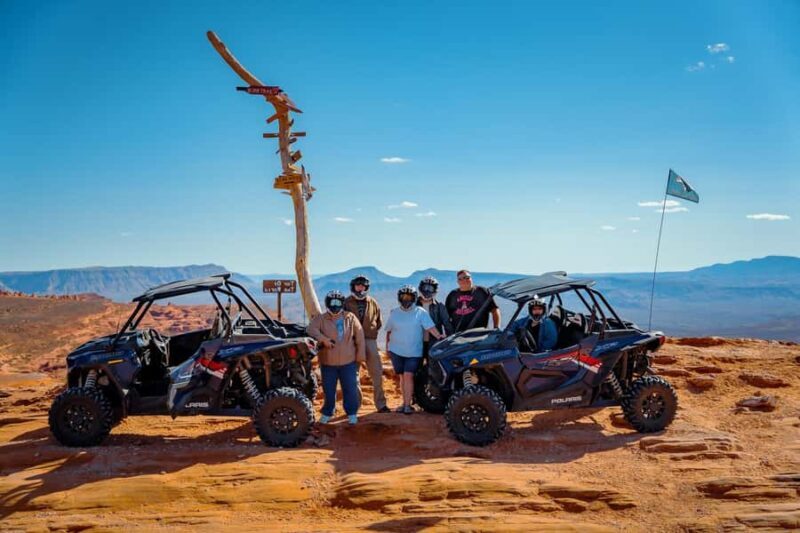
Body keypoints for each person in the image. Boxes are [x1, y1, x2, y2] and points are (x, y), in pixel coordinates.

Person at [307, 290, 365, 425]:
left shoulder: (350, 317)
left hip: (348, 362)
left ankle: (351, 413)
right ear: (327, 303)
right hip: (328, 363)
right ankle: (327, 413)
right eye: (332, 302)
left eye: (338, 302)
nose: (335, 305)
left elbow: (360, 337)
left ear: (342, 303)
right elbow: (310, 329)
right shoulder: (321, 318)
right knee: (329, 390)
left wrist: (360, 357)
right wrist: (323, 339)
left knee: (350, 388)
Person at [385, 285, 444, 414]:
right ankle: (405, 403)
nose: (406, 299)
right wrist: (387, 347)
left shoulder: (420, 312)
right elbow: (389, 331)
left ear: (414, 298)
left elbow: (430, 328)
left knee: (408, 375)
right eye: (403, 296)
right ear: (399, 298)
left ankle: (407, 406)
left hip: (414, 351)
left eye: (409, 297)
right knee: (401, 377)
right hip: (396, 350)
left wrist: (440, 336)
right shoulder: (394, 312)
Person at [343, 274, 389, 413]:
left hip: (370, 341)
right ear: (353, 286)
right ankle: (354, 406)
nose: (360, 288)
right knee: (352, 374)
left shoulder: (373, 302)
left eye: (363, 285)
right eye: (358, 285)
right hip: (352, 341)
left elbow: (378, 321)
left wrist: (370, 333)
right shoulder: (346, 302)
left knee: (376, 372)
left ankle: (381, 405)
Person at [417, 275, 452, 357]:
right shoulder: (413, 305)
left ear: (435, 290)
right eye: (425, 287)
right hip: (415, 343)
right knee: (415, 368)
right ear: (421, 288)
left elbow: (447, 324)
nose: (427, 291)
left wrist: (451, 342)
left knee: (433, 368)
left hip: (434, 343)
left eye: (430, 288)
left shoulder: (440, 306)